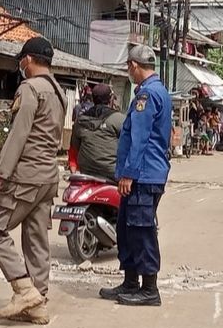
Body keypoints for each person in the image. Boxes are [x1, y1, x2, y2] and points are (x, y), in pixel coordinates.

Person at [0, 37, 66, 325]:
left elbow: (19, 134)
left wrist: (0, 173)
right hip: (48, 176)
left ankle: (23, 289)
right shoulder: (59, 91)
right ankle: (38, 304)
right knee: (36, 240)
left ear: (27, 60)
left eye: (21, 60)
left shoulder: (31, 89)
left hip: (26, 176)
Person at [99, 45, 171, 307]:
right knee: (127, 228)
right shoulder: (155, 91)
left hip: (143, 175)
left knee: (141, 230)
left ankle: (149, 289)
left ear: (133, 66)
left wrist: (128, 173)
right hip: (143, 173)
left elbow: (139, 139)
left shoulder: (147, 96)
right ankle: (130, 282)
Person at [69, 83, 125, 180]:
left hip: (86, 171)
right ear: (110, 99)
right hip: (111, 173)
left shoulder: (81, 120)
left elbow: (75, 146)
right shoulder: (119, 119)